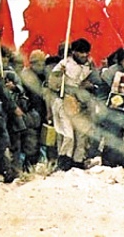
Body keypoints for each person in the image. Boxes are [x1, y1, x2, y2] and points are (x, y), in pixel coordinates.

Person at [48, 38, 102, 171]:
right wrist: (60, 76)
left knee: (82, 134)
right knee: (68, 135)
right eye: (80, 52)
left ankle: (78, 161)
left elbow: (97, 82)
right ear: (74, 52)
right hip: (64, 102)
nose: (83, 55)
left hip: (81, 104)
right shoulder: (63, 64)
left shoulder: (89, 65)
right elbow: (52, 84)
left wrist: (90, 86)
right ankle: (63, 162)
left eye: (86, 53)